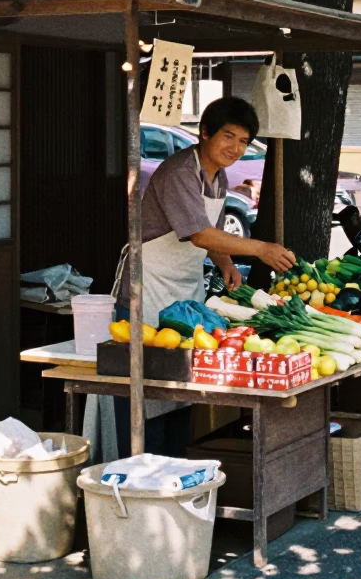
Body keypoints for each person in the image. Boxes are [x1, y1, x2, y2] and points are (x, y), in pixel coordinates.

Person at [114, 96, 295, 455]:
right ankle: (138, 476)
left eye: (243, 142)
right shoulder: (180, 172)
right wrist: (260, 249)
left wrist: (225, 262)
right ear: (205, 133)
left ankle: (176, 469)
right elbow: (198, 233)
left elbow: (210, 231)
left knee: (180, 391)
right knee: (143, 393)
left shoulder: (218, 177)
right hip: (147, 288)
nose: (235, 148)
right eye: (228, 137)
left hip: (182, 289)